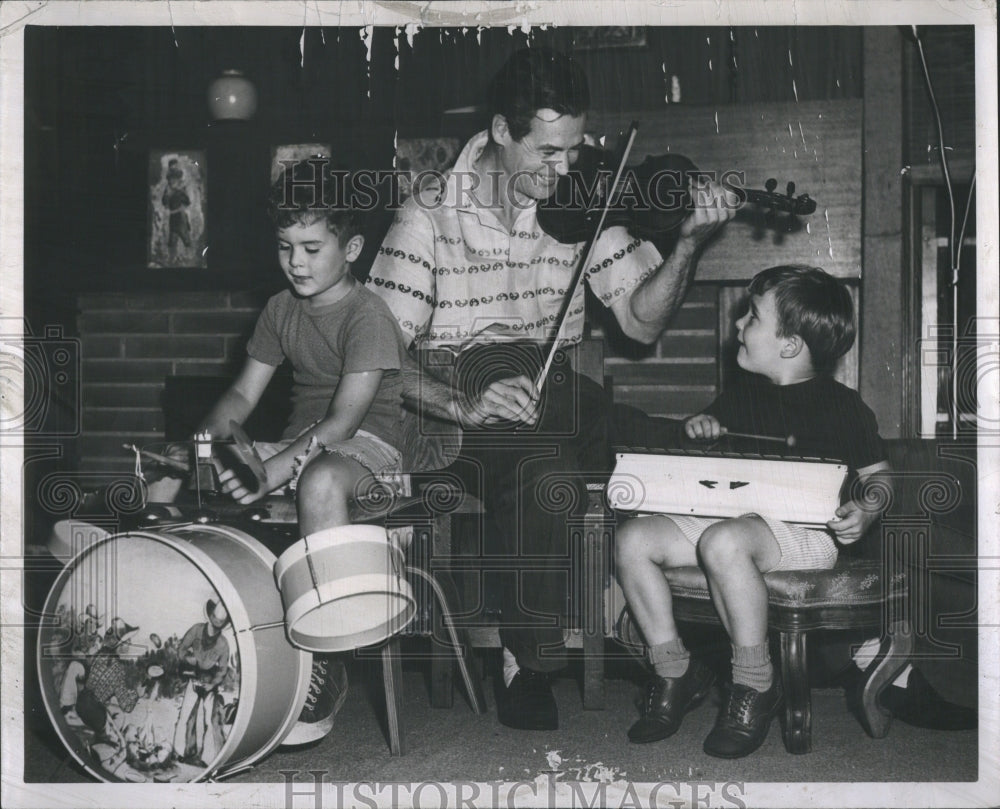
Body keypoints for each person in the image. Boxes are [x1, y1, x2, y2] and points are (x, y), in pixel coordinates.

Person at [366, 47, 735, 731]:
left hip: (551, 387)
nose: (563, 168)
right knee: (559, 464)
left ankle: (683, 633)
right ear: (502, 132)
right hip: (452, 401)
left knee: (626, 445)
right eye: (547, 151)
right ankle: (530, 662)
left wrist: (687, 246)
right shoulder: (428, 216)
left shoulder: (581, 200)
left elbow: (640, 321)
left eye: (574, 148)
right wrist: (461, 401)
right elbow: (376, 354)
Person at [614, 264, 896, 758]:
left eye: (753, 317)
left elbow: (879, 480)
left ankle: (754, 682)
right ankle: (672, 670)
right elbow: (710, 468)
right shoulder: (740, 395)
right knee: (632, 538)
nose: (738, 324)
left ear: (789, 344)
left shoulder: (843, 406)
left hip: (807, 534)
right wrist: (699, 429)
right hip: (734, 523)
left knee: (724, 540)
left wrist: (866, 510)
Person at [170, 162, 407, 745]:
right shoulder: (281, 309)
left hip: (369, 452)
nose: (295, 262)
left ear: (350, 247)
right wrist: (205, 447)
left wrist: (270, 469)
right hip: (307, 441)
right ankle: (182, 630)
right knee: (179, 465)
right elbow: (241, 395)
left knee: (318, 482)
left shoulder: (369, 315)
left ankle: (329, 658)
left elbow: (345, 420)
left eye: (310, 247)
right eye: (284, 247)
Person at [171, 599, 231, 767]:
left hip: (210, 681)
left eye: (220, 623)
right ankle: (180, 752)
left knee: (209, 721)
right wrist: (187, 658)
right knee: (185, 716)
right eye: (214, 620)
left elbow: (223, 668)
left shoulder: (223, 643)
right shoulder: (196, 630)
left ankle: (208, 759)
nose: (215, 625)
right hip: (193, 676)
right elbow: (181, 648)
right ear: (210, 616)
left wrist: (213, 684)